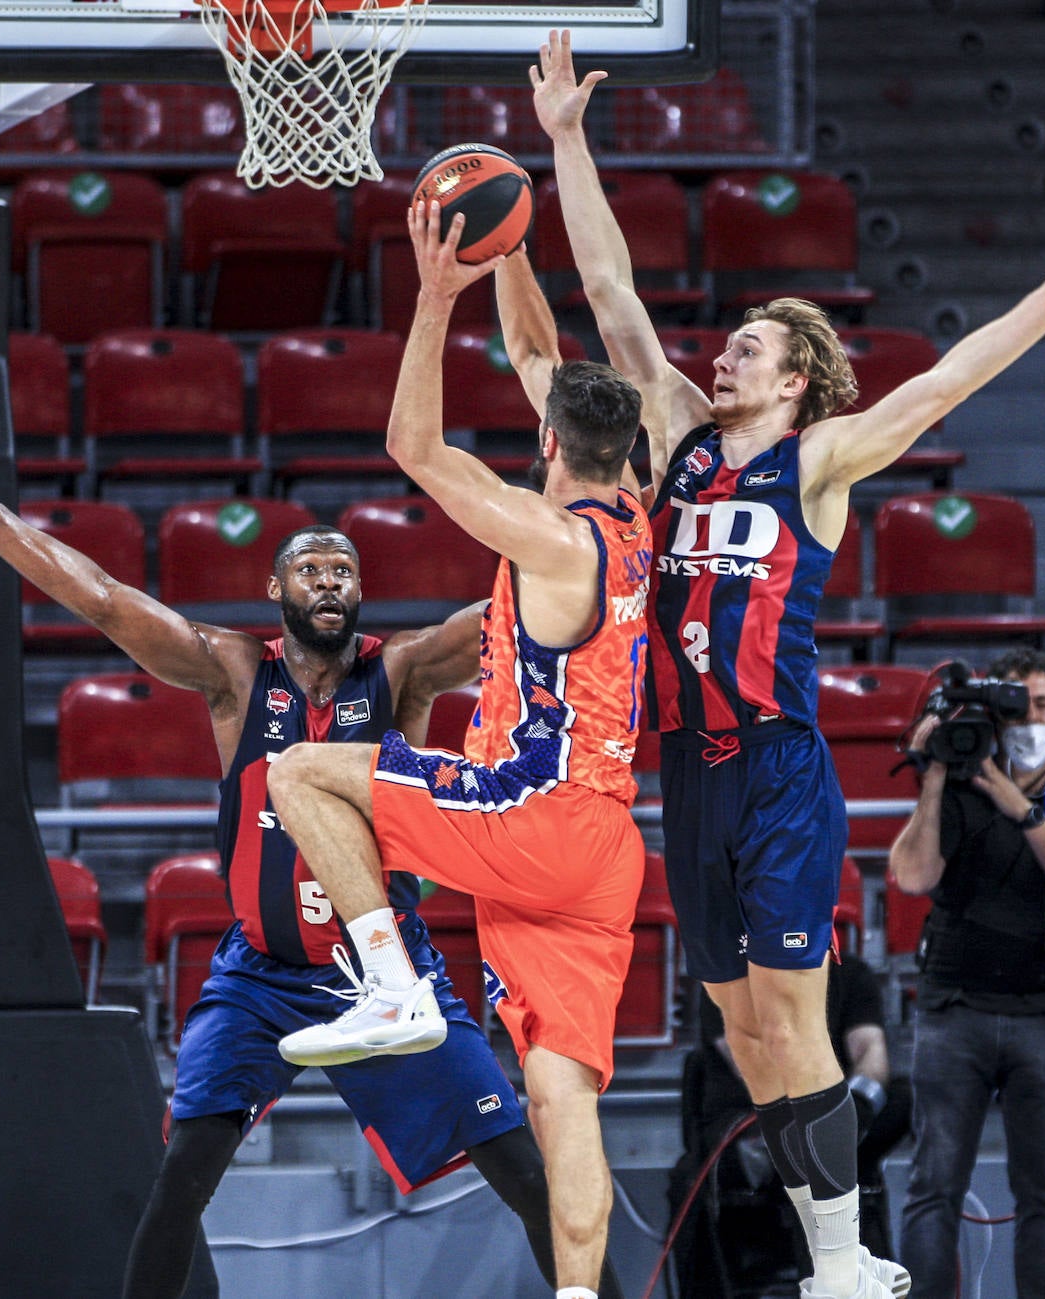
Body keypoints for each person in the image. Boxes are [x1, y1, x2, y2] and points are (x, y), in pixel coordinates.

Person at [529, 26, 1045, 1299]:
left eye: (749, 346)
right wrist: (570, 145)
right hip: (685, 770)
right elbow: (612, 294)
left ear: (798, 377)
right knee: (741, 1032)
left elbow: (952, 382)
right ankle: (834, 1245)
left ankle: (847, 1252)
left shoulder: (818, 460)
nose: (723, 355)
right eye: (730, 345)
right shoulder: (685, 434)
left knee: (796, 1023)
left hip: (780, 764)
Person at [0, 397, 626, 1299]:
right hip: (259, 975)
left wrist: (603, 508)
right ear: (277, 592)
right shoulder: (233, 672)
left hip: (387, 977)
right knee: (180, 1180)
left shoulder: (405, 668)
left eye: (344, 568)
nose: (331, 581)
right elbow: (101, 598)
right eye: (310, 569)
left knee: (526, 1176)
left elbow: (534, 592)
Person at [264, 212, 650, 1299]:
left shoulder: (552, 535)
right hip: (606, 843)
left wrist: (437, 294)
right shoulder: (633, 514)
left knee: (302, 770)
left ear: (543, 447)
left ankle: (391, 984)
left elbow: (415, 452)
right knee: (561, 1098)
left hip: (533, 808)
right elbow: (544, 363)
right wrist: (515, 243)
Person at [889, 648, 1045, 1299]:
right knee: (931, 1191)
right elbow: (911, 875)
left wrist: (1022, 807)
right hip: (952, 1011)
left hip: (1044, 1015)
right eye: (1016, 704)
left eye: (1042, 704)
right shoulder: (958, 792)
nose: (1029, 717)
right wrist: (934, 776)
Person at [668, 953, 912, 1297]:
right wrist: (812, 1113)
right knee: (801, 1151)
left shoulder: (851, 973)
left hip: (836, 1117)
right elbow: (749, 1059)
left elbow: (870, 1048)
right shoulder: (726, 975)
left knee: (902, 1097)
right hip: (751, 1124)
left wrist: (851, 1106)